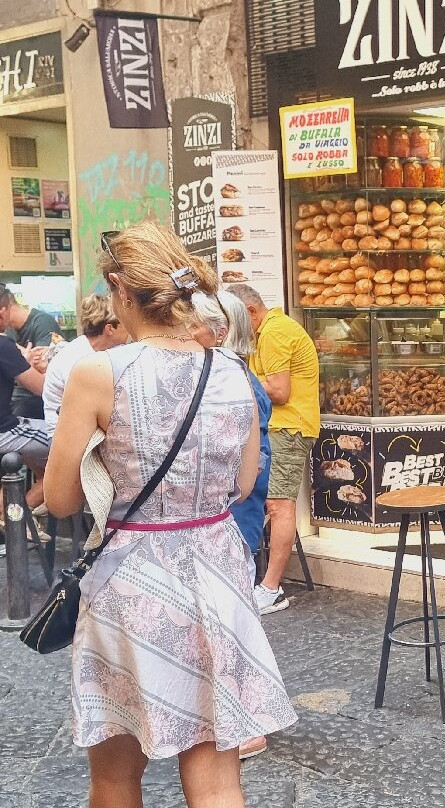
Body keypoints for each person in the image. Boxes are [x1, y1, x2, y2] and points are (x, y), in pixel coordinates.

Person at [44, 221, 296, 807]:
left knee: (115, 775)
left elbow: (59, 501)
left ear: (121, 289)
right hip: (216, 570)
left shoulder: (98, 373)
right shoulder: (231, 371)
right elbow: (242, 484)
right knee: (217, 779)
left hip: (131, 578)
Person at [187, 289, 274, 762]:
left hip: (230, 513)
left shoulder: (233, 380)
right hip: (225, 511)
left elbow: (246, 470)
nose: (185, 330)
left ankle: (250, 723)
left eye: (193, 323)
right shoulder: (226, 375)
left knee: (232, 618)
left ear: (220, 332)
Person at [226, 283, 319, 615]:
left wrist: (230, 381)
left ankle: (271, 589)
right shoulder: (264, 332)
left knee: (279, 505)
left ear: (250, 312)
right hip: (274, 428)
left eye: (235, 320)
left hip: (287, 428)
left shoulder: (275, 333)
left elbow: (279, 390)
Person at [40, 294, 129, 435]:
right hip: (65, 435)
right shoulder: (77, 359)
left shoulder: (98, 350)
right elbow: (91, 408)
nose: (129, 328)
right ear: (110, 329)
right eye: (124, 323)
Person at [0, 294, 48, 509]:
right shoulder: (3, 345)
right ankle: (15, 517)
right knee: (73, 448)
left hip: (9, 427)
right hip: (5, 431)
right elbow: (40, 387)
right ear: (3, 311)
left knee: (45, 467)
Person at [2, 287, 62, 419]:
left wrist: (12, 350)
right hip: (15, 395)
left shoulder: (42, 323)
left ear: (5, 309)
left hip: (34, 398)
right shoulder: (8, 330)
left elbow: (44, 365)